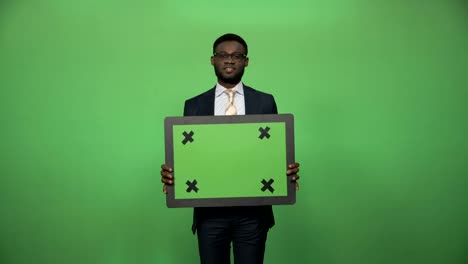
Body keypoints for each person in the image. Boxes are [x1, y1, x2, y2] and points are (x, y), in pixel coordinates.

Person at [160, 33, 300, 264]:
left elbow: (271, 150)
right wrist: (173, 171)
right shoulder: (194, 105)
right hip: (209, 214)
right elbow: (191, 155)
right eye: (223, 55)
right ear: (212, 59)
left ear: (246, 61)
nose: (229, 60)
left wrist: (287, 169)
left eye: (237, 55)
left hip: (253, 213)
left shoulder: (265, 101)